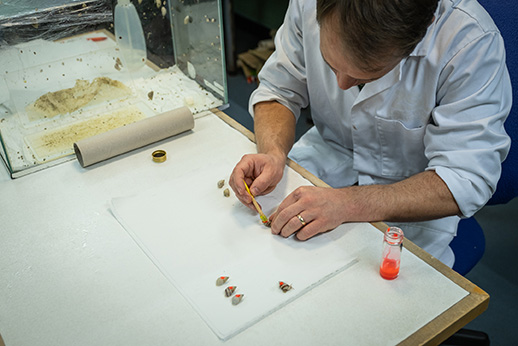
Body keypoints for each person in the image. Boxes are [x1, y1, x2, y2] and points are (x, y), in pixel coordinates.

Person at [229, 0, 512, 267]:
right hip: (327, 158)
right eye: (330, 64)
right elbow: (280, 90)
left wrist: (350, 204)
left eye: (367, 75)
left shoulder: (469, 42)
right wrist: (273, 151)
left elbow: (466, 177)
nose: (341, 85)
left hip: (412, 194)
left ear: (421, 33)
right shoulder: (308, 3)